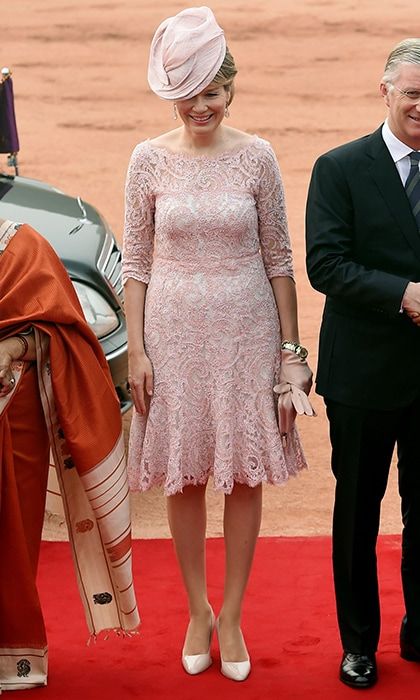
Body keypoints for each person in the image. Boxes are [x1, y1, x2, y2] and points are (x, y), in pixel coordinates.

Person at [122, 6, 312, 682]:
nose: (199, 106)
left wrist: (291, 354)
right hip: (171, 339)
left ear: (231, 87)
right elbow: (137, 264)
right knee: (186, 471)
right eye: (186, 94)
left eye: (211, 91)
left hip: (245, 334)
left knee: (241, 472)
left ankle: (231, 614)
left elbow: (280, 259)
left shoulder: (257, 157)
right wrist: (138, 351)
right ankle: (197, 609)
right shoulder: (146, 160)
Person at [306, 38, 420, 690]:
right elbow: (325, 264)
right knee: (359, 512)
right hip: (364, 376)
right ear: (386, 92)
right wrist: (400, 294)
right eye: (412, 93)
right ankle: (359, 644)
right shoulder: (341, 167)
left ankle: (419, 627)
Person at [0, 219, 139, 693]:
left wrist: (15, 345)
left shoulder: (23, 247)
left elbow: (69, 336)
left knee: (10, 539)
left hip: (11, 424)